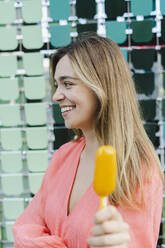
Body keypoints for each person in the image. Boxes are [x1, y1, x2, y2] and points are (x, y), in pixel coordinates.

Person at [13, 34, 164, 248]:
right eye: (57, 85)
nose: (56, 96)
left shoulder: (139, 170)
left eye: (67, 84)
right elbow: (23, 230)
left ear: (100, 87)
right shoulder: (63, 156)